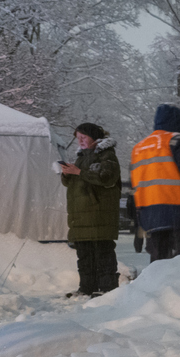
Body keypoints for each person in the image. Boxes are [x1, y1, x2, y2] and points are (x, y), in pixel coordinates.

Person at [130, 104, 180, 263]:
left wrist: (139, 218)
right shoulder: (176, 140)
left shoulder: (138, 148)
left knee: (158, 263)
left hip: (150, 216)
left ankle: (157, 288)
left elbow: (136, 188)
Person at [59, 123, 121, 296]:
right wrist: (67, 174)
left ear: (94, 137)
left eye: (83, 137)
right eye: (78, 138)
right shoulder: (82, 157)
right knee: (85, 255)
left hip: (99, 216)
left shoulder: (106, 154)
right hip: (81, 217)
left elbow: (107, 177)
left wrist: (79, 172)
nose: (80, 141)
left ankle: (107, 289)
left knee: (102, 253)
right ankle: (86, 288)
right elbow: (73, 181)